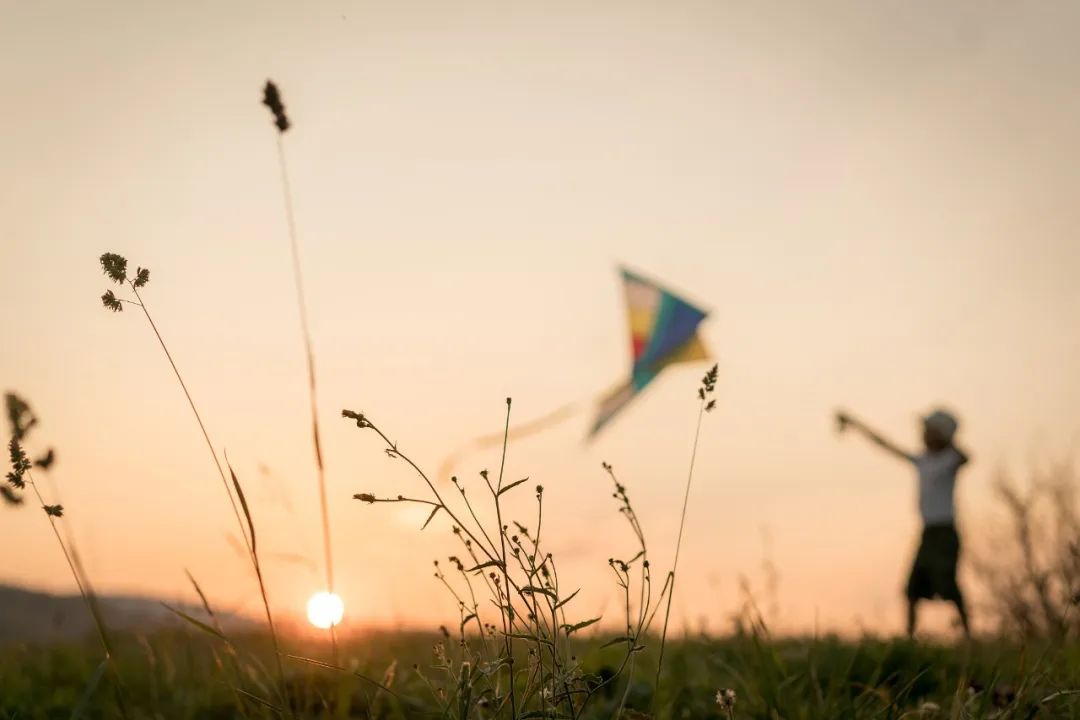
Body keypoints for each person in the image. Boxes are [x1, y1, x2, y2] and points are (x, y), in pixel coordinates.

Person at [835, 407, 971, 637]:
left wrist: (945, 439)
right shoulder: (922, 460)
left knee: (948, 585)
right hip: (927, 533)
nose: (922, 434)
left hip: (945, 533)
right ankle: (910, 637)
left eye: (928, 430)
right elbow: (884, 444)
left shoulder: (949, 459)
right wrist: (855, 424)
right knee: (912, 589)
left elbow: (965, 457)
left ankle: (969, 635)